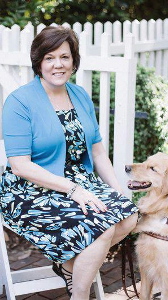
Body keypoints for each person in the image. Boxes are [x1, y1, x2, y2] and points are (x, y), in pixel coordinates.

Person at [0, 26, 138, 300]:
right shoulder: (19, 102)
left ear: (74, 61)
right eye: (49, 57)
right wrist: (73, 190)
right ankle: (81, 293)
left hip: (79, 181)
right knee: (102, 226)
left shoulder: (80, 96)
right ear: (38, 62)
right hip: (29, 188)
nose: (58, 64)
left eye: (64, 57)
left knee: (128, 215)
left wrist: (118, 191)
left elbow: (98, 152)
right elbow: (20, 166)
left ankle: (69, 268)